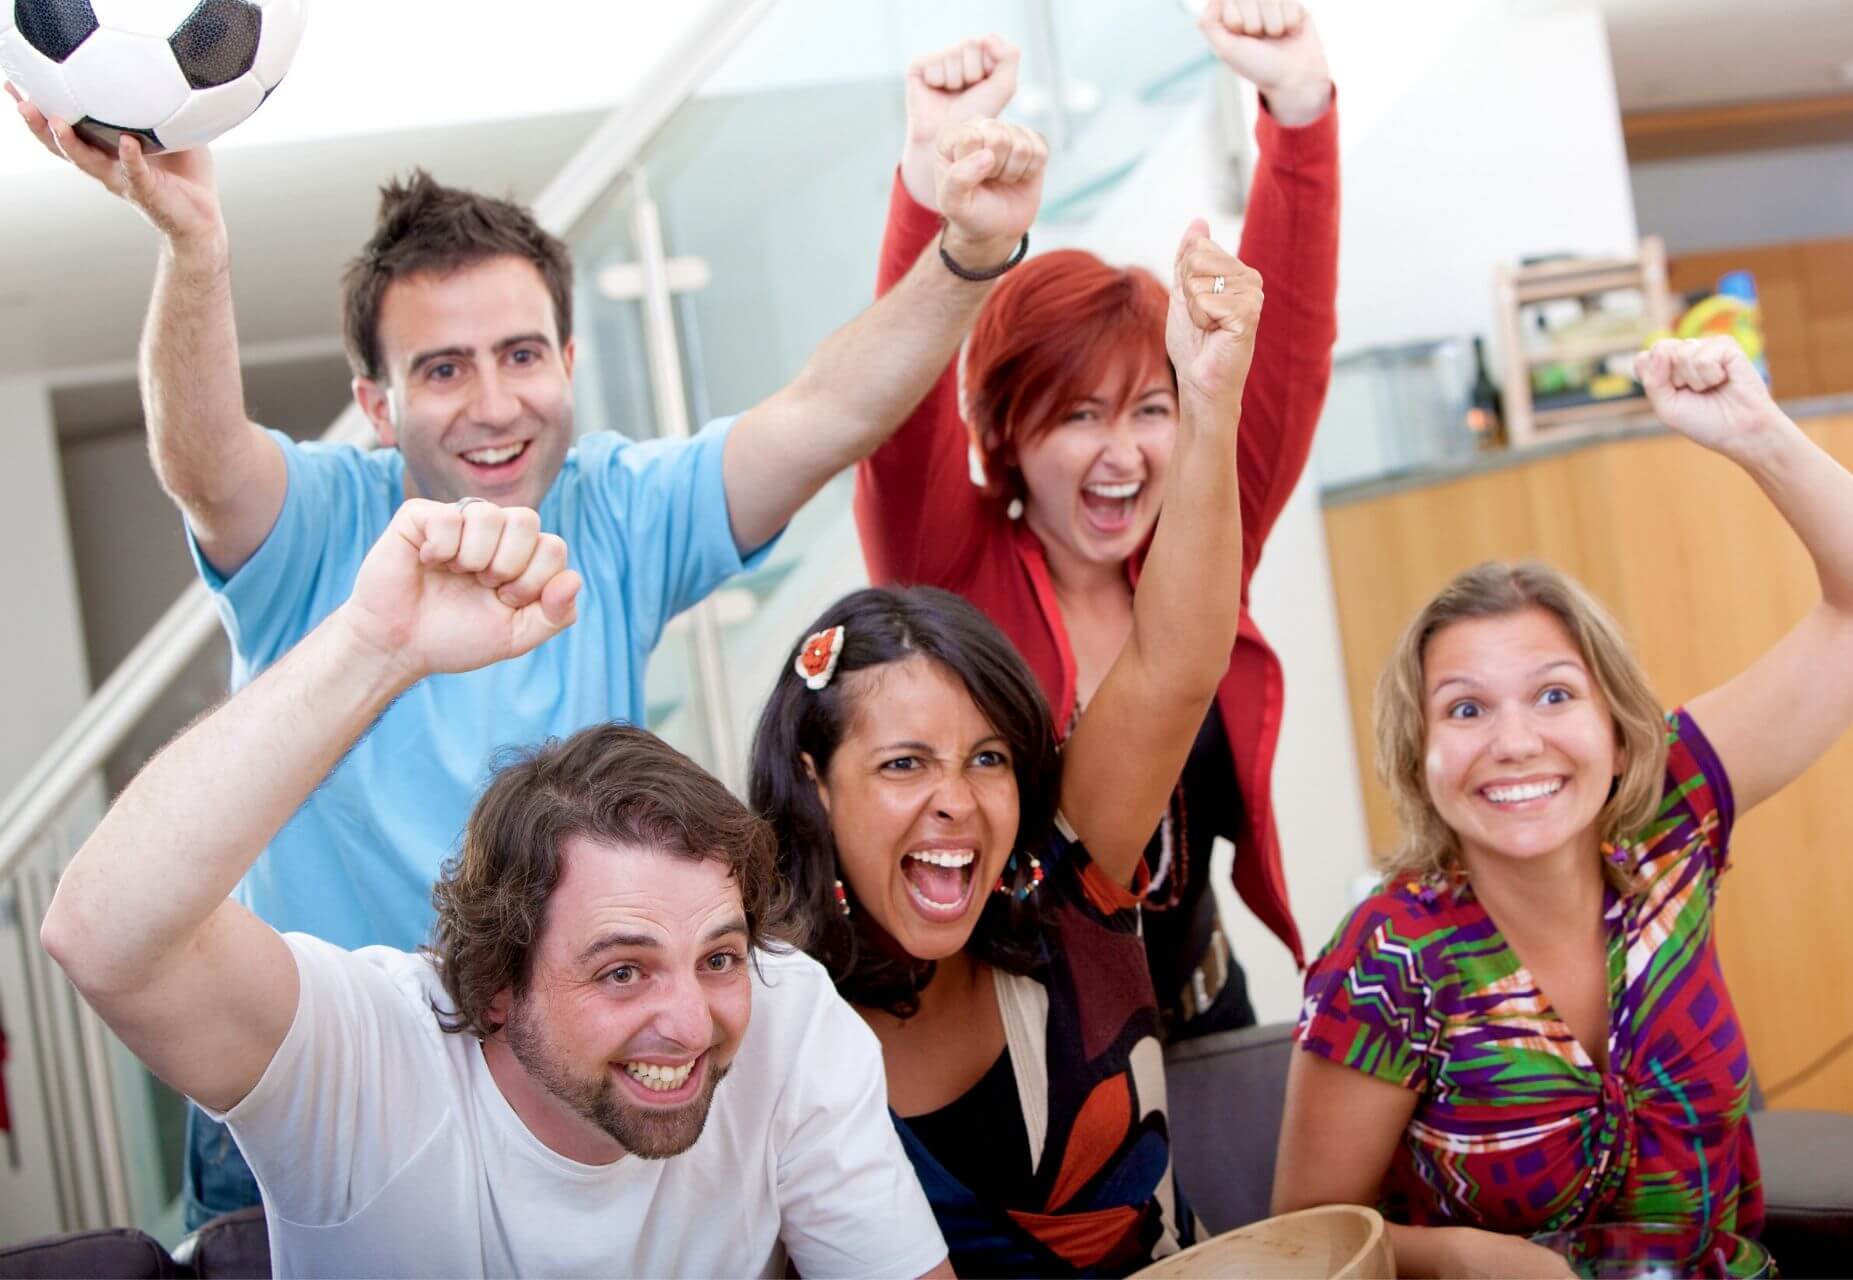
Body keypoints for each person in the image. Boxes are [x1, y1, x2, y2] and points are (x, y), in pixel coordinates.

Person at [8, 80, 1045, 1222]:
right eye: (442, 369)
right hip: (321, 1070)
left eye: (519, 354)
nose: (494, 403)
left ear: (564, 355)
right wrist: (195, 248)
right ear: (376, 401)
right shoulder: (322, 521)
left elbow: (824, 415)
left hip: (551, 1071)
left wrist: (968, 253)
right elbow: (204, 462)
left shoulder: (616, 509)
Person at [39, 497, 954, 1279]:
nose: (692, 1019)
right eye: (622, 972)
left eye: (716, 954)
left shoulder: (783, 1015)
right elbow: (102, 932)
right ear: (492, 987)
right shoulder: (367, 1059)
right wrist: (375, 646)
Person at [1270, 338, 1853, 1277]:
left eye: (1554, 695)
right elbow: (1303, 1243)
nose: (1516, 741)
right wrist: (1458, 1259)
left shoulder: (1672, 827)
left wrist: (1757, 434)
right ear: (1421, 757)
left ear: (1619, 731)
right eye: (1465, 708)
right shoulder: (1387, 962)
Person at [749, 219, 1262, 1276]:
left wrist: (1209, 404)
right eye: (902, 763)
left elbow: (1176, 661)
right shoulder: (761, 1019)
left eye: (987, 758)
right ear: (814, 783)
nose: (956, 799)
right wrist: (949, 218)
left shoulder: (1066, 894)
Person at [854, 0, 1339, 1041]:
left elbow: (1281, 353)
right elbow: (892, 417)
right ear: (1009, 432)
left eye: (1150, 410)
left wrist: (1297, 113)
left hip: (1212, 1015)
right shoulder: (950, 569)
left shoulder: (1200, 546)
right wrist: (930, 189)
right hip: (1033, 1052)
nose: (1123, 455)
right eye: (1079, 415)